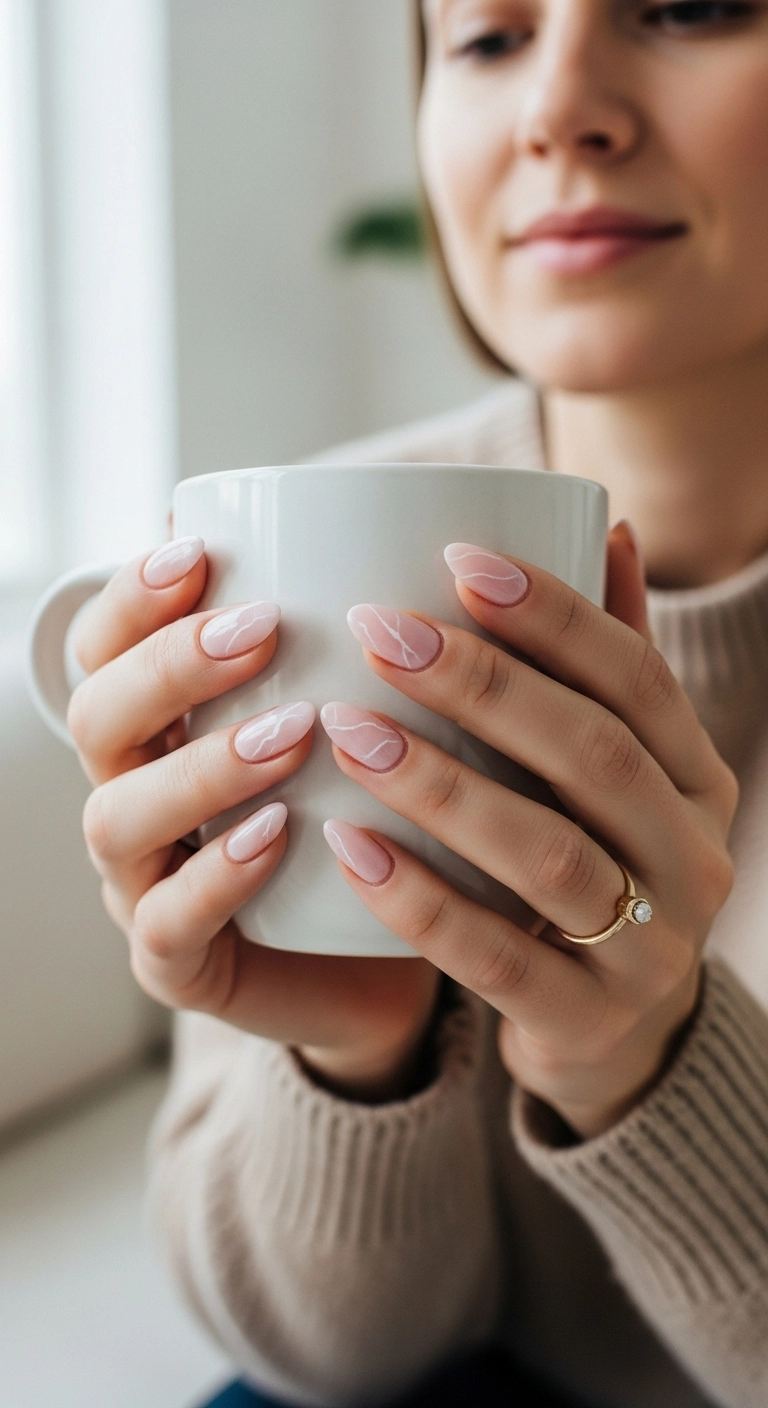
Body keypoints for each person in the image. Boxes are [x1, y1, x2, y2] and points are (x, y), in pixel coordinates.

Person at [65, 1, 768, 1405]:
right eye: (490, 39)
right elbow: (327, 1364)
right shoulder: (305, 548)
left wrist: (648, 1059)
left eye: (690, 6)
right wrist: (350, 1049)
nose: (561, 109)